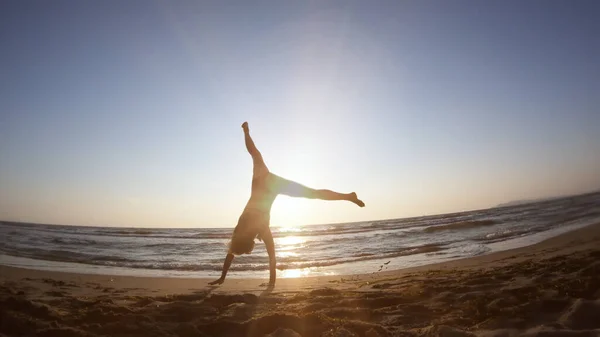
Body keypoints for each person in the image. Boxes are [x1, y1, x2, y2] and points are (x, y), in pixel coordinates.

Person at [209, 122, 365, 286]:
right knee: (310, 191)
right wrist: (225, 277)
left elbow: (269, 255)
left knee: (311, 193)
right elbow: (237, 251)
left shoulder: (260, 228)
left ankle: (348, 197)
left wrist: (269, 283)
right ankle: (347, 197)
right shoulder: (243, 226)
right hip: (265, 181)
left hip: (266, 183)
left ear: (251, 241)